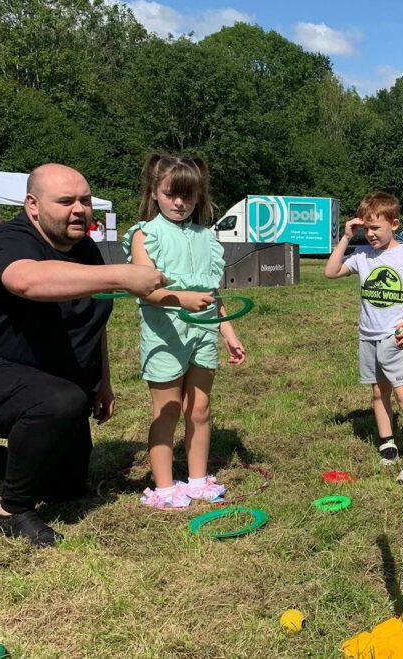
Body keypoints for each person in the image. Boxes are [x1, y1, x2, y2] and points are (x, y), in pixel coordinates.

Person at [0, 164, 168, 547]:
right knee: (60, 401)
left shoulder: (87, 250)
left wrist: (103, 382)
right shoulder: (9, 239)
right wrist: (121, 275)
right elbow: (26, 280)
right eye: (65, 201)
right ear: (32, 205)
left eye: (84, 200)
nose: (79, 209)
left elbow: (94, 319)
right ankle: (10, 513)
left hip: (54, 384)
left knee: (65, 487)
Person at [123, 154, 245, 509]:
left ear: (198, 196)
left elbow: (212, 293)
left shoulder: (206, 237)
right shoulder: (145, 235)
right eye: (170, 194)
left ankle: (196, 479)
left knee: (200, 409)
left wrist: (228, 332)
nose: (179, 203)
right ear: (154, 192)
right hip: (165, 335)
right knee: (169, 409)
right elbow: (145, 290)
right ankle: (163, 487)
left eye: (188, 196)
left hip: (203, 334)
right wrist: (180, 299)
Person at [324, 191, 403, 482]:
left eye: (376, 227)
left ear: (395, 224)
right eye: (366, 227)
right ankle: (388, 444)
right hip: (368, 336)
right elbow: (330, 271)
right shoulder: (362, 255)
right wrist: (346, 237)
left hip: (397, 337)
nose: (370, 233)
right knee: (379, 392)